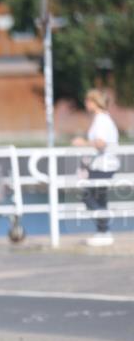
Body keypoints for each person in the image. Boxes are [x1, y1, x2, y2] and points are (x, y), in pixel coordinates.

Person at [72, 88, 120, 246]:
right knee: (99, 198)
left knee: (89, 196)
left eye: (87, 101)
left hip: (103, 166)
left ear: (94, 102)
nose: (85, 104)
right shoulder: (103, 119)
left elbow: (101, 143)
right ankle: (103, 232)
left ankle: (104, 229)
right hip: (102, 164)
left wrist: (82, 143)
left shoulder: (101, 120)